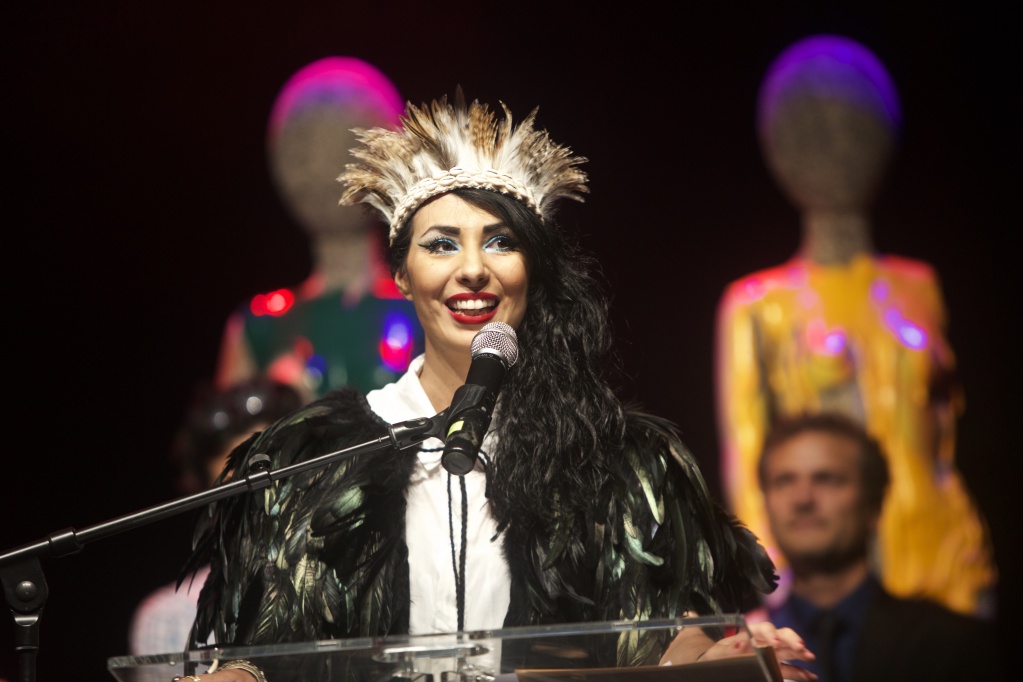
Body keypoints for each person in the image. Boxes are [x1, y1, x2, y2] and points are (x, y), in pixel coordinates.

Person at [179, 90, 817, 681]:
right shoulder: (317, 460)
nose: (473, 270)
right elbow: (268, 652)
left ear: (531, 269)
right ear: (401, 273)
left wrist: (726, 659)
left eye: (501, 242)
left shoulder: (611, 460)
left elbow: (659, 640)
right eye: (441, 244)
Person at [714, 34, 996, 618]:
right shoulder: (757, 304)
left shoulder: (919, 286)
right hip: (830, 578)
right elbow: (746, 453)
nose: (836, 147)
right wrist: (780, 580)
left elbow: (944, 433)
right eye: (810, 130)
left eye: (855, 126)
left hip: (944, 560)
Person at [214, 56, 424, 403]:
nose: (319, 167)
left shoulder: (426, 310)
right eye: (300, 151)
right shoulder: (260, 325)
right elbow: (227, 434)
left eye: (345, 145)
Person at [752, 411, 1004, 681]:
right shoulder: (742, 651)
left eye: (827, 478)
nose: (803, 499)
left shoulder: (952, 644)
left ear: (874, 504)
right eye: (784, 481)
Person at [128, 377, 303, 655]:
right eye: (235, 488)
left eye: (271, 476)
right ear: (209, 508)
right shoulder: (169, 618)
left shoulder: (360, 583)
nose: (262, 500)